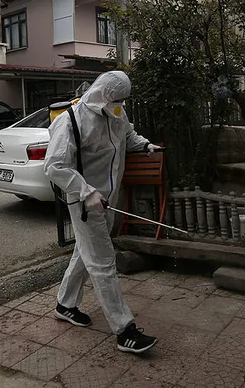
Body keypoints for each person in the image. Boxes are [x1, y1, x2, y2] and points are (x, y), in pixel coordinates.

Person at [44, 71, 162, 354]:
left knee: (85, 254)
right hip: (85, 203)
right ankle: (124, 330)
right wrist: (86, 192)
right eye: (117, 99)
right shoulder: (71, 121)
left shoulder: (116, 111)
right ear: (102, 93)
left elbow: (128, 135)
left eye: (123, 100)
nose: (120, 104)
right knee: (103, 261)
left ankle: (65, 304)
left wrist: (145, 145)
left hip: (109, 198)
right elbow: (55, 166)